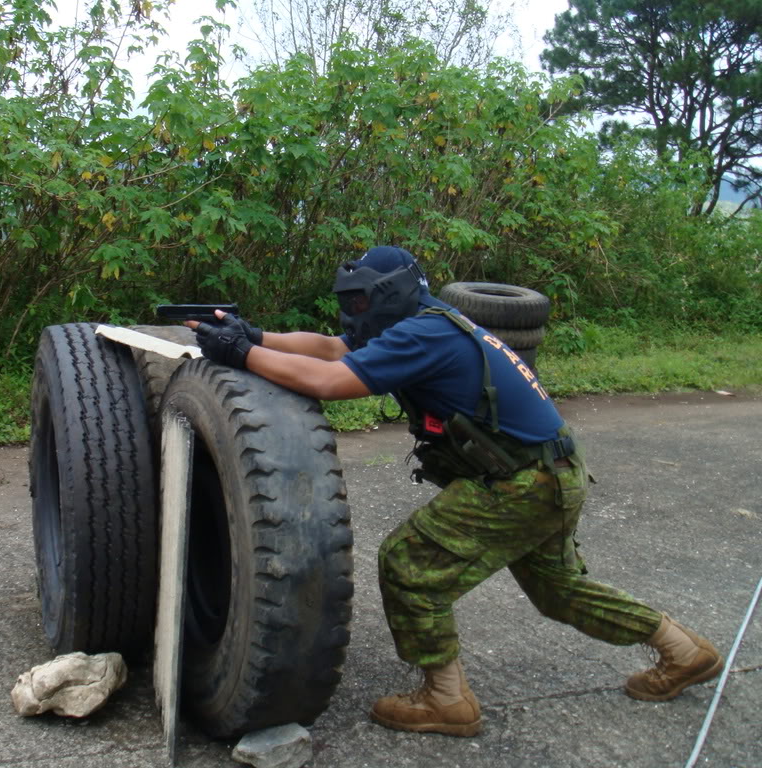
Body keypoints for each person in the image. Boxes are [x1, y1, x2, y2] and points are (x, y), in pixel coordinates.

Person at [186, 245, 724, 737]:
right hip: (550, 471)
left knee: (408, 563)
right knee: (558, 591)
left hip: (523, 482)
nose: (352, 311)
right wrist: (254, 337)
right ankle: (683, 650)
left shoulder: (425, 334)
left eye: (359, 299)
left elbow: (331, 382)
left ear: (389, 292)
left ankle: (446, 700)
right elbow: (330, 348)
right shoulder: (420, 323)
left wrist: (241, 355)